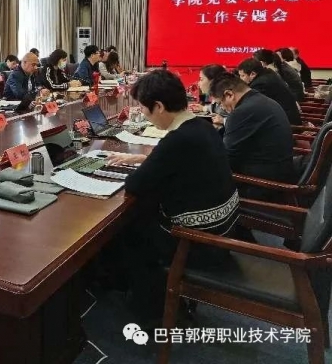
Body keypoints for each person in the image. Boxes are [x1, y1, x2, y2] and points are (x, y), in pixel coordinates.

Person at [105, 70, 239, 323]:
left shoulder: (177, 139)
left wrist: (148, 164)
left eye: (143, 108)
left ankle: (150, 309)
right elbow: (184, 163)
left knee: (128, 227)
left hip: (197, 243)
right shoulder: (201, 126)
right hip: (225, 231)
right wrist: (143, 158)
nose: (142, 113)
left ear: (158, 106)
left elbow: (135, 184)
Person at [209, 72, 296, 201]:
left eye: (220, 103)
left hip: (263, 185)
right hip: (281, 170)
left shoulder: (242, 112)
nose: (222, 108)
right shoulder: (262, 100)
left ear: (229, 94)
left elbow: (227, 160)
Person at [237, 58, 302, 125]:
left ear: (253, 74)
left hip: (286, 123)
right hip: (287, 118)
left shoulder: (260, 84)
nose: (240, 79)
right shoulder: (268, 73)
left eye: (242, 76)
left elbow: (253, 108)